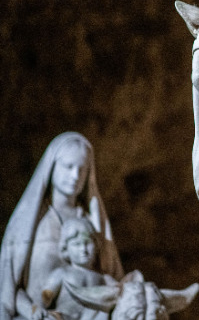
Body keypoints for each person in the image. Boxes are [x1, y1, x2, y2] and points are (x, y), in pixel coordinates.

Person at [0, 132, 123, 320]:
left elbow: (114, 284)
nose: (75, 176)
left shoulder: (93, 222)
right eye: (68, 166)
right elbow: (8, 287)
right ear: (52, 167)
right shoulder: (30, 221)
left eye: (82, 169)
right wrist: (33, 312)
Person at [40, 218, 118, 320]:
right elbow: (45, 297)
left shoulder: (104, 278)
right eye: (76, 244)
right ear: (66, 248)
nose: (83, 249)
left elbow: (123, 293)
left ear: (96, 245)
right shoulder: (62, 274)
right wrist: (38, 307)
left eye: (87, 243)